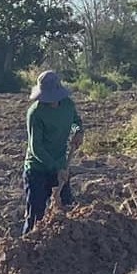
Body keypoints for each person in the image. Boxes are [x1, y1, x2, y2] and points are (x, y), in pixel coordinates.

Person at [22, 70, 83, 233]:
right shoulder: (35, 113)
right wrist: (56, 168)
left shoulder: (68, 105)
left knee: (66, 209)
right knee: (36, 215)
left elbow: (76, 122)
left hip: (60, 165)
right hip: (37, 169)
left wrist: (78, 132)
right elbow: (36, 148)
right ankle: (27, 248)